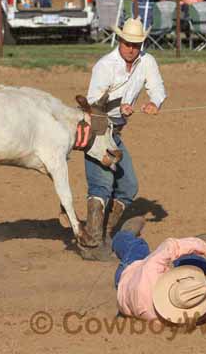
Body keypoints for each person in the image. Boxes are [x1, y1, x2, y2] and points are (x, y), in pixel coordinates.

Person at [77, 17, 167, 261]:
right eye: (128, 43)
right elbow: (94, 105)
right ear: (120, 40)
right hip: (97, 130)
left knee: (128, 186)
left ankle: (104, 232)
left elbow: (158, 88)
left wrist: (154, 102)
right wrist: (119, 107)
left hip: (115, 133)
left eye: (136, 44)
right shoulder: (105, 65)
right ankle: (92, 244)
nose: (131, 48)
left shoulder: (147, 62)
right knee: (102, 185)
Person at [113, 218, 206, 323]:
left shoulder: (150, 270)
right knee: (199, 266)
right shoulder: (188, 318)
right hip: (134, 298)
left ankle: (122, 235)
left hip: (128, 277)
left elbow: (171, 245)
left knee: (138, 248)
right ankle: (191, 252)